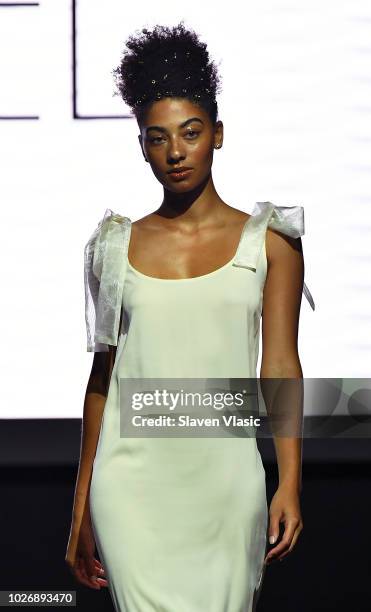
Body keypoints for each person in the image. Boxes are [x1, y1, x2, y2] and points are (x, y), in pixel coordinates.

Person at [65, 21, 315, 612]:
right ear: (142, 144)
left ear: (218, 135)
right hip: (131, 485)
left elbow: (280, 364)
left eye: (191, 132)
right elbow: (102, 383)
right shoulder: (113, 245)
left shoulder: (270, 241)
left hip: (225, 479)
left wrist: (290, 480)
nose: (175, 152)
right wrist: (80, 511)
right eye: (157, 138)